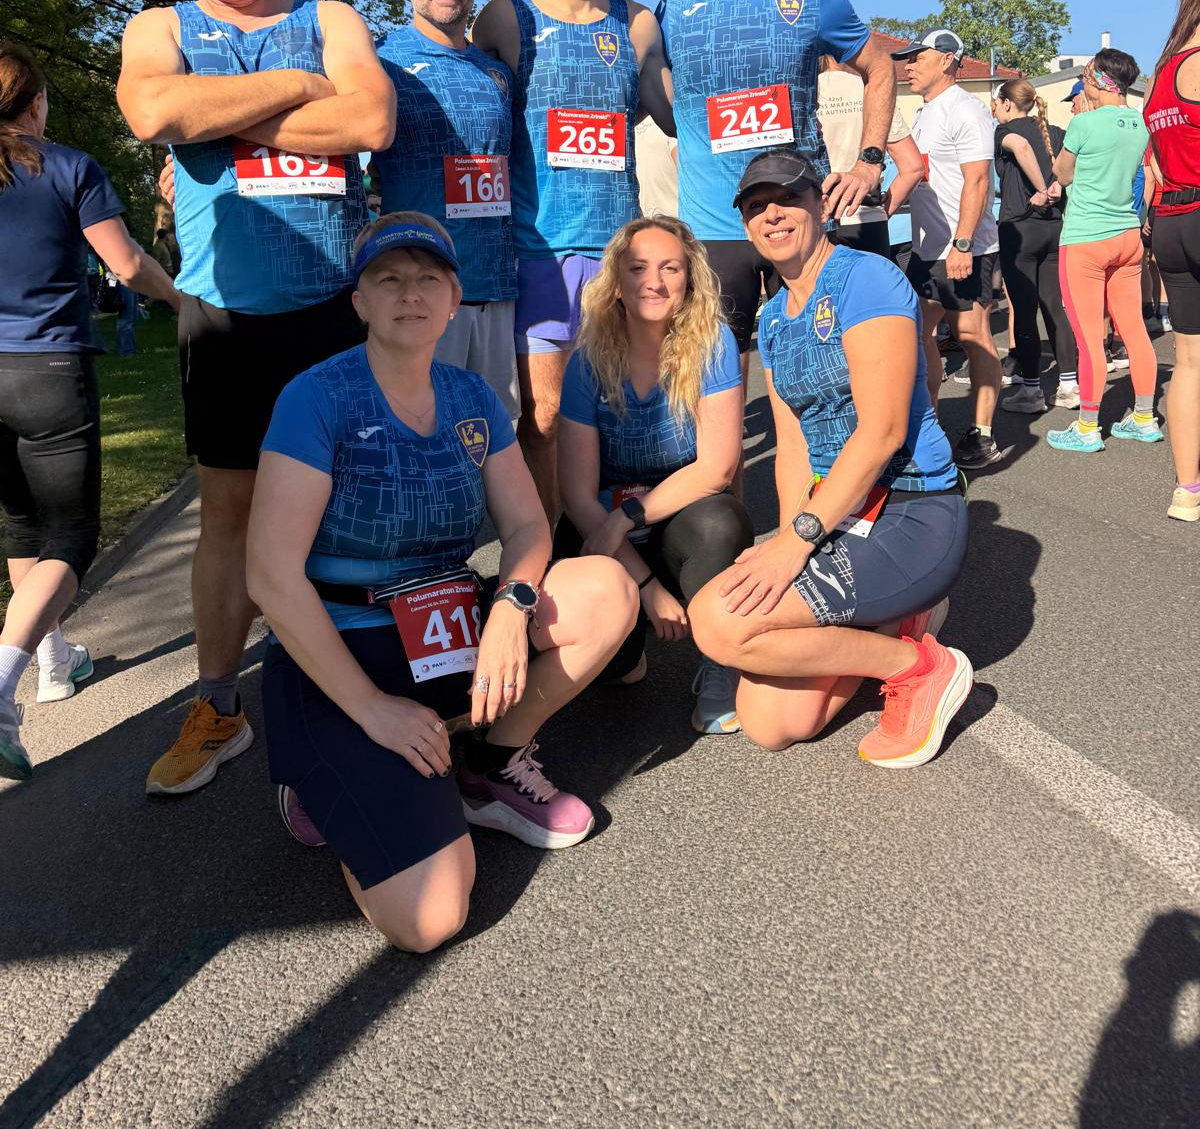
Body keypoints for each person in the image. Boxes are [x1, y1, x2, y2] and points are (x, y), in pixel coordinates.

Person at [246, 213, 637, 953]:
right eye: (388, 279)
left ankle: (487, 764)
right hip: (343, 647)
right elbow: (269, 574)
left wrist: (510, 610)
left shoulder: (472, 397)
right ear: (359, 301)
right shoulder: (316, 397)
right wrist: (371, 710)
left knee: (605, 590)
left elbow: (527, 528)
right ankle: (333, 778)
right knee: (428, 920)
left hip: (448, 626)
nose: (411, 294)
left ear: (455, 300)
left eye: (429, 278)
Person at [117, 0, 395, 796]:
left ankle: (348, 693)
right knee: (229, 520)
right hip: (225, 317)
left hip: (333, 308)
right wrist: (298, 90)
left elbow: (372, 119)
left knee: (347, 508)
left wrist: (223, 118)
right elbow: (154, 110)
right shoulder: (161, 29)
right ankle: (218, 707)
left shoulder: (331, 17)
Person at [686, 149, 973, 766]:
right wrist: (788, 545)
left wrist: (798, 543)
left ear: (820, 204)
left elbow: (884, 430)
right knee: (772, 723)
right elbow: (791, 445)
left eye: (787, 198)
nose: (772, 215)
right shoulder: (772, 319)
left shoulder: (865, 277)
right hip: (838, 515)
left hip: (910, 508)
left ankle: (918, 668)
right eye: (756, 207)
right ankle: (899, 622)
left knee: (718, 622)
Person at [472, 0, 674, 522]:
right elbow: (469, 115)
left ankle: (610, 543)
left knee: (621, 412)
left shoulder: (638, 23)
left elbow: (680, 118)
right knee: (545, 418)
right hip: (538, 250)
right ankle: (547, 552)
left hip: (619, 253)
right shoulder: (504, 18)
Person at [0, 41, 180, 780]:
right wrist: (180, 299)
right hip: (46, 368)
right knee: (71, 537)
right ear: (37, 102)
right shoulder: (69, 168)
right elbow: (127, 264)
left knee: (22, 525)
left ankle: (53, 659)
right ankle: (2, 687)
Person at [655, 0, 898, 370]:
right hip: (715, 228)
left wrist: (869, 162)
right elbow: (654, 85)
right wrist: (689, 136)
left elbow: (881, 68)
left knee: (823, 375)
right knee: (716, 385)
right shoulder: (673, 7)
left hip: (802, 218)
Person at [554, 217, 753, 734]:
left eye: (671, 268)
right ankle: (631, 637)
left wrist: (626, 517)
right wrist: (645, 587)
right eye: (638, 268)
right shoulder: (587, 362)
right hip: (602, 523)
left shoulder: (713, 345)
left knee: (719, 521)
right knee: (615, 672)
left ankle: (720, 660)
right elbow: (576, 495)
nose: (655, 282)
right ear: (616, 281)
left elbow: (716, 468)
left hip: (678, 517)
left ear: (690, 279)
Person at [374, 0, 519, 419]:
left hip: (496, 287)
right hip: (418, 291)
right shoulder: (380, 62)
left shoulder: (498, 74)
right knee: (419, 430)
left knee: (494, 433)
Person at [892, 29, 1003, 469]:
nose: (909, 66)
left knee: (972, 334)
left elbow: (978, 180)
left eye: (917, 58)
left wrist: (963, 243)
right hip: (926, 249)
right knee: (918, 333)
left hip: (964, 247)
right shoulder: (923, 113)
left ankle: (983, 434)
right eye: (907, 59)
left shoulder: (967, 109)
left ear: (946, 60)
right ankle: (928, 423)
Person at [1047, 50, 1160, 452]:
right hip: (1127, 236)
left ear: (1098, 80)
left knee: (1090, 337)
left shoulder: (1084, 123)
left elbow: (1061, 173)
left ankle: (1088, 427)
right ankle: (1144, 417)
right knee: (1134, 330)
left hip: (1085, 239)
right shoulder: (1141, 123)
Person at [1144, 0, 1200, 518]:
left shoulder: (1161, 76)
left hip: (1172, 222)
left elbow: (1157, 165)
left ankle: (1188, 490)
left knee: (1189, 362)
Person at [992, 79, 1079, 411]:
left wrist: (1043, 188)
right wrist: (1059, 185)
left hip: (1021, 227)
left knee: (1025, 311)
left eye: (995, 103)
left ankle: (1031, 391)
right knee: (1055, 306)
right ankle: (1069, 385)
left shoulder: (1004, 131)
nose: (993, 109)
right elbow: (1076, 160)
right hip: (1053, 227)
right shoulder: (1054, 132)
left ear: (1008, 103)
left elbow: (1022, 148)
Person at [816, 55, 924, 258]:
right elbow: (913, 168)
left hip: (816, 221)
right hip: (867, 220)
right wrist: (881, 211)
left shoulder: (801, 94)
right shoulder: (871, 91)